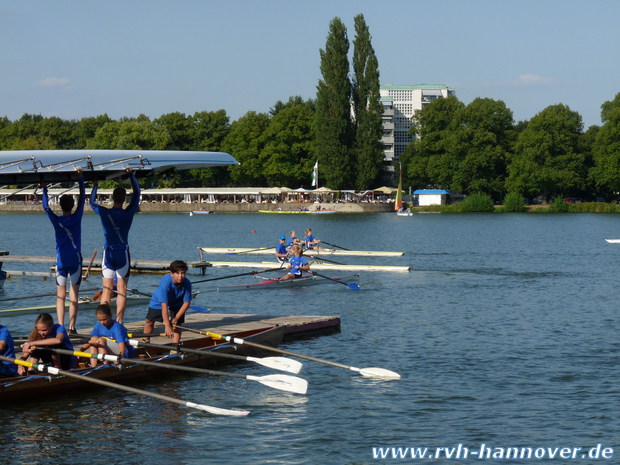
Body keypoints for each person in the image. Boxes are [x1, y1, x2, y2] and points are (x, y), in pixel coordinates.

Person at [90, 167, 140, 324]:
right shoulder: (128, 212)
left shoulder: (104, 213)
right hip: (122, 253)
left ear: (112, 198)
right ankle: (118, 323)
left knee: (106, 290)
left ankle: (102, 322)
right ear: (124, 199)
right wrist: (131, 176)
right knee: (122, 291)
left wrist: (95, 185)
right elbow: (137, 194)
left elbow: (91, 202)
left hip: (108, 254)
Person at [41, 168, 85, 334]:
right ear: (72, 206)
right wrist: (81, 179)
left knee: (60, 295)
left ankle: (60, 326)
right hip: (75, 260)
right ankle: (72, 327)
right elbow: (82, 199)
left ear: (60, 206)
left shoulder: (56, 220)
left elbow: (46, 208)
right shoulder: (77, 217)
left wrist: (44, 188)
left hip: (61, 260)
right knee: (74, 294)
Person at [143, 260, 192, 344]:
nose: (180, 276)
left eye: (183, 273)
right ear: (172, 274)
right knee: (149, 320)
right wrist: (167, 325)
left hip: (177, 301)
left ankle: (175, 345)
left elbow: (186, 303)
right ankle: (145, 341)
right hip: (159, 301)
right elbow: (164, 306)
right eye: (177, 273)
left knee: (177, 323)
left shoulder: (187, 283)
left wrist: (176, 318)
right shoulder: (165, 283)